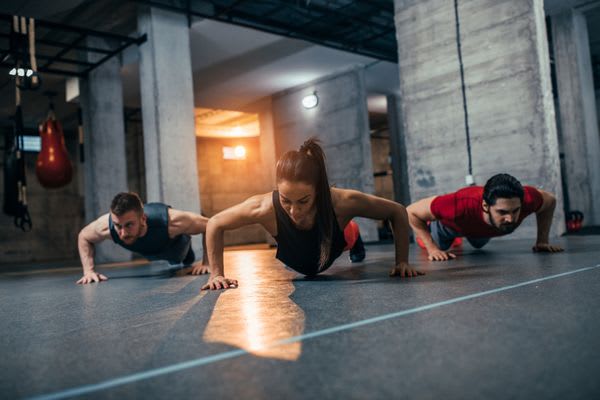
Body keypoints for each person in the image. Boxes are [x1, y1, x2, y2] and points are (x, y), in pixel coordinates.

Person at [201, 138, 424, 290]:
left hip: (335, 245)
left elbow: (397, 211)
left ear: (318, 190)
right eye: (286, 201)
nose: (293, 210)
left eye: (303, 201)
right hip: (297, 259)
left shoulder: (343, 202)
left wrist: (402, 261)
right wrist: (216, 274)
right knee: (304, 262)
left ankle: (353, 236)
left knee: (347, 234)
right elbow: (215, 223)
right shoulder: (263, 207)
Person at [406, 173, 564, 261]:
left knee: (478, 245)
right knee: (439, 244)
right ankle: (439, 231)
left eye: (515, 211)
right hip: (449, 227)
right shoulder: (458, 204)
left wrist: (542, 241)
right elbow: (410, 211)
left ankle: (466, 236)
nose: (510, 219)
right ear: (485, 206)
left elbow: (550, 201)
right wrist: (432, 248)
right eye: (502, 212)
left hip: (482, 230)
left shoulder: (528, 199)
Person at [76, 192, 209, 284]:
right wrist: (88, 271)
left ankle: (187, 253)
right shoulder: (106, 226)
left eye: (129, 225)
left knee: (181, 260)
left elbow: (209, 225)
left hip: (176, 249)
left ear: (143, 219)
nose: (122, 233)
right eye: (118, 226)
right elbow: (84, 236)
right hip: (150, 251)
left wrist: (207, 263)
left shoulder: (169, 220)